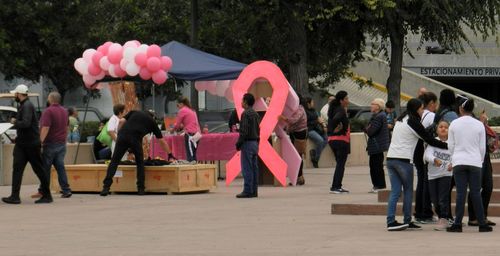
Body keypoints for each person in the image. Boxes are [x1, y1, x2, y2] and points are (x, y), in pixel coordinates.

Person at [385, 98, 447, 231]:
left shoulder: (402, 119)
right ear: (416, 109)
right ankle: (407, 220)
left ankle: (390, 221)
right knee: (407, 190)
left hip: (390, 159)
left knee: (395, 191)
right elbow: (429, 139)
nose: (422, 111)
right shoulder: (413, 121)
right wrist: (447, 145)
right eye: (421, 108)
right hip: (403, 160)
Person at [100, 110, 174, 196]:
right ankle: (140, 189)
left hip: (122, 136)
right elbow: (162, 141)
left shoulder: (134, 112)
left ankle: (106, 188)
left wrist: (120, 134)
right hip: (135, 139)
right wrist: (170, 154)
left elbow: (121, 121)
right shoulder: (152, 122)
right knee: (140, 163)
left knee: (114, 162)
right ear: (152, 117)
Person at [447, 98, 493, 232]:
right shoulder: (479, 125)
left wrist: (454, 158)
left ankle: (457, 224)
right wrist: (479, 161)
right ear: (472, 110)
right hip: (475, 162)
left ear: (461, 109)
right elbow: (482, 148)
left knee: (460, 193)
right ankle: (482, 223)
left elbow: (451, 145)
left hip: (459, 161)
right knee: (475, 193)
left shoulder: (454, 123)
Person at [2, 84, 53, 204]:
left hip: (31, 144)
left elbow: (25, 123)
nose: (14, 95)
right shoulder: (24, 105)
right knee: (17, 169)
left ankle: (47, 195)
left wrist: (15, 121)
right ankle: (15, 196)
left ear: (19, 94)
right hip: (23, 143)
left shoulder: (27, 106)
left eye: (15, 94)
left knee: (38, 170)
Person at [38, 92, 72, 198]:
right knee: (60, 167)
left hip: (50, 143)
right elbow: (67, 127)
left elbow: (46, 127)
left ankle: (44, 191)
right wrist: (64, 139)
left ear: (50, 99)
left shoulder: (48, 111)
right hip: (61, 143)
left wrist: (40, 142)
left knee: (45, 168)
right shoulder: (65, 111)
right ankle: (66, 190)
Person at [467, 110, 496, 227]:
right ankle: (473, 217)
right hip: (475, 158)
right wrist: (481, 123)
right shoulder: (470, 123)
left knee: (488, 186)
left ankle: (483, 216)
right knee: (475, 187)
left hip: (486, 157)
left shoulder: (478, 122)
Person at [413, 92, 438, 224]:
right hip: (425, 150)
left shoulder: (420, 115)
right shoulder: (432, 116)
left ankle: (419, 212)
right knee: (426, 182)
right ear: (432, 103)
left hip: (416, 150)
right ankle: (425, 213)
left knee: (421, 181)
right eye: (436, 103)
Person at [424, 120, 453, 231]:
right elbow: (427, 155)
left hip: (446, 174)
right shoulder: (434, 142)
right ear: (437, 130)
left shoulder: (452, 143)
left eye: (446, 127)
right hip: (432, 175)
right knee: (435, 200)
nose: (443, 128)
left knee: (443, 198)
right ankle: (441, 216)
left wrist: (453, 164)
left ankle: (444, 218)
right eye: (441, 127)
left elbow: (456, 155)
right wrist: (434, 159)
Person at [235, 93, 260, 198]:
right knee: (254, 168)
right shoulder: (255, 114)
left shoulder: (245, 114)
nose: (241, 102)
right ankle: (254, 190)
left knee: (247, 168)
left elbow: (244, 131)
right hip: (255, 143)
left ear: (245, 102)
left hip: (247, 143)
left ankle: (247, 190)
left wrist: (238, 143)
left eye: (242, 100)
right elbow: (259, 129)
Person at [279, 96, 308, 185]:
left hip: (299, 134)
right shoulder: (294, 109)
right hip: (294, 133)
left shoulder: (299, 109)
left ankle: (299, 177)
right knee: (295, 155)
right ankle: (298, 177)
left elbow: (293, 120)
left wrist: (283, 118)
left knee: (297, 155)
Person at [364, 98, 390, 193]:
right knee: (376, 166)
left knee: (376, 167)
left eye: (373, 104)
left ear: (378, 106)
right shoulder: (378, 115)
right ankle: (378, 185)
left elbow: (370, 131)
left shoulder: (378, 116)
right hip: (377, 145)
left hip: (377, 145)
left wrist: (367, 129)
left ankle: (378, 186)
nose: (371, 105)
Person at [327, 91, 350, 194]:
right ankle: (336, 187)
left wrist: (332, 130)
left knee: (339, 164)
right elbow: (336, 119)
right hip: (341, 140)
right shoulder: (340, 110)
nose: (348, 101)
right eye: (346, 99)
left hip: (333, 140)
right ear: (341, 100)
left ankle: (336, 186)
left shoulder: (333, 109)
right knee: (340, 165)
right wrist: (338, 128)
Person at [172, 97, 201, 162]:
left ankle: (191, 168)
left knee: (190, 156)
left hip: (190, 134)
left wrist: (172, 130)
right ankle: (195, 169)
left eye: (177, 105)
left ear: (181, 104)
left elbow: (177, 124)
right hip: (197, 134)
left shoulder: (182, 111)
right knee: (194, 154)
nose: (177, 107)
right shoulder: (192, 110)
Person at [304, 97, 327, 168]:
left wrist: (323, 126)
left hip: (317, 128)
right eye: (312, 102)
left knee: (326, 139)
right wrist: (316, 121)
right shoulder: (304, 111)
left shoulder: (314, 110)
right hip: (310, 130)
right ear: (308, 103)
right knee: (320, 141)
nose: (313, 103)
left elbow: (318, 118)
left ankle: (314, 153)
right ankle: (316, 160)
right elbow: (306, 123)